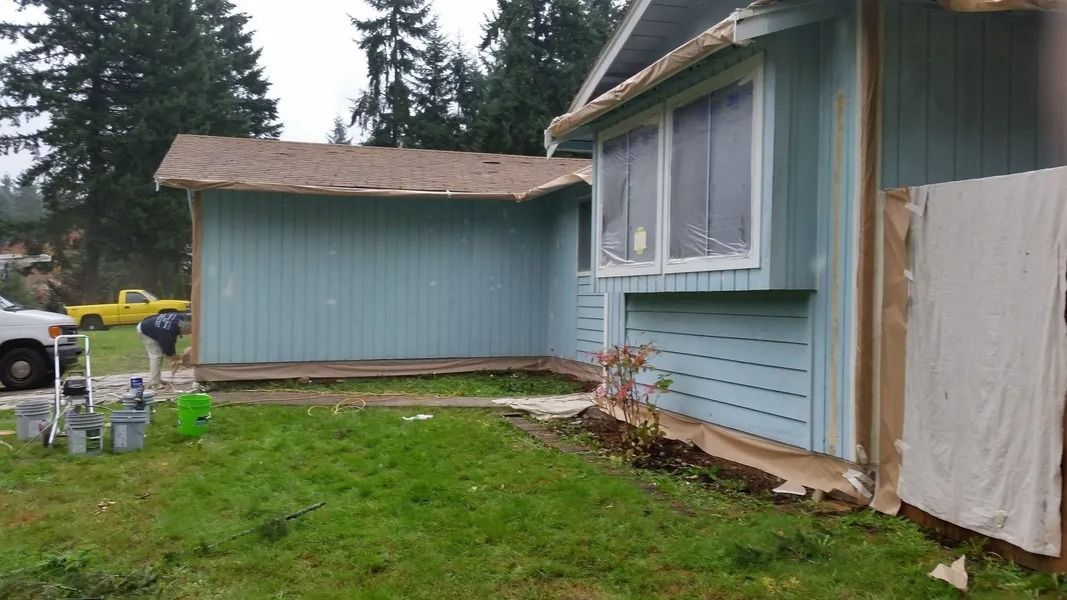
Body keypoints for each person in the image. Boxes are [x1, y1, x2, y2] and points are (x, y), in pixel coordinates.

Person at [137, 312, 192, 388]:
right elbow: (168, 349)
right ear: (183, 328)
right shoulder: (168, 331)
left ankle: (157, 379)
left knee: (159, 355)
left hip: (150, 324)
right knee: (156, 356)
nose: (188, 333)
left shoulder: (181, 317)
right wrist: (176, 359)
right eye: (188, 331)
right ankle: (154, 383)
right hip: (145, 330)